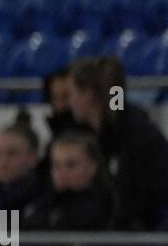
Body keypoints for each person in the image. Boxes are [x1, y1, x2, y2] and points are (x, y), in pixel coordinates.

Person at [68, 55, 168, 231]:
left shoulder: (135, 134)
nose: (70, 102)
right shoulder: (102, 132)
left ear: (88, 95)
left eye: (72, 94)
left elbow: (146, 196)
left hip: (144, 233)